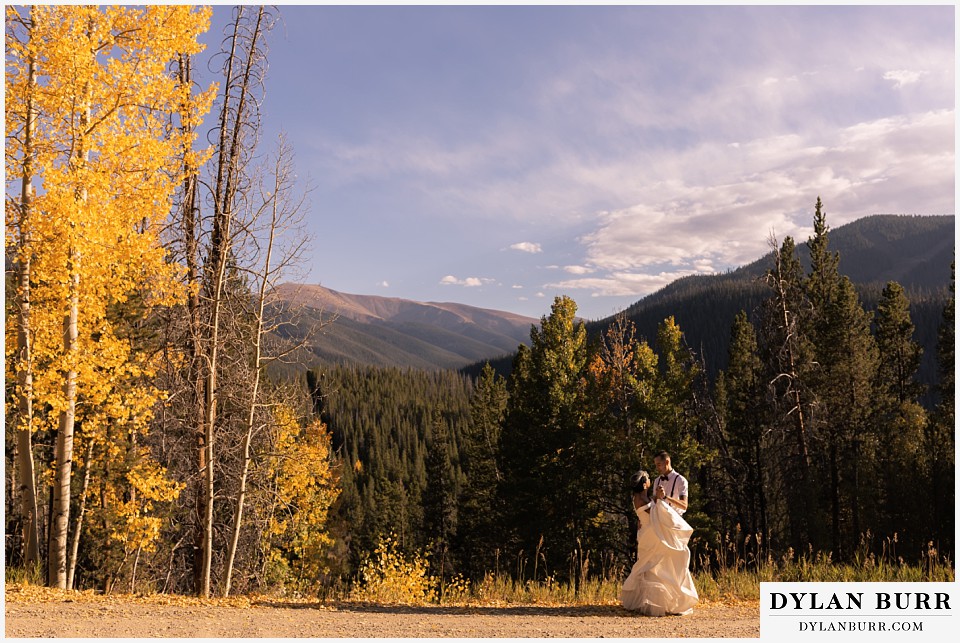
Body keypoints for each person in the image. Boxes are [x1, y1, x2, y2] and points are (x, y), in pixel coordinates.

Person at [620, 469, 698, 616]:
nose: (650, 480)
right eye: (648, 479)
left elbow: (651, 511)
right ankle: (656, 602)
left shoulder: (642, 497)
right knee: (654, 566)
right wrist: (660, 500)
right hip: (652, 535)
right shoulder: (640, 499)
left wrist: (657, 499)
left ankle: (660, 601)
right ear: (644, 485)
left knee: (656, 566)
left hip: (651, 533)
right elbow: (656, 513)